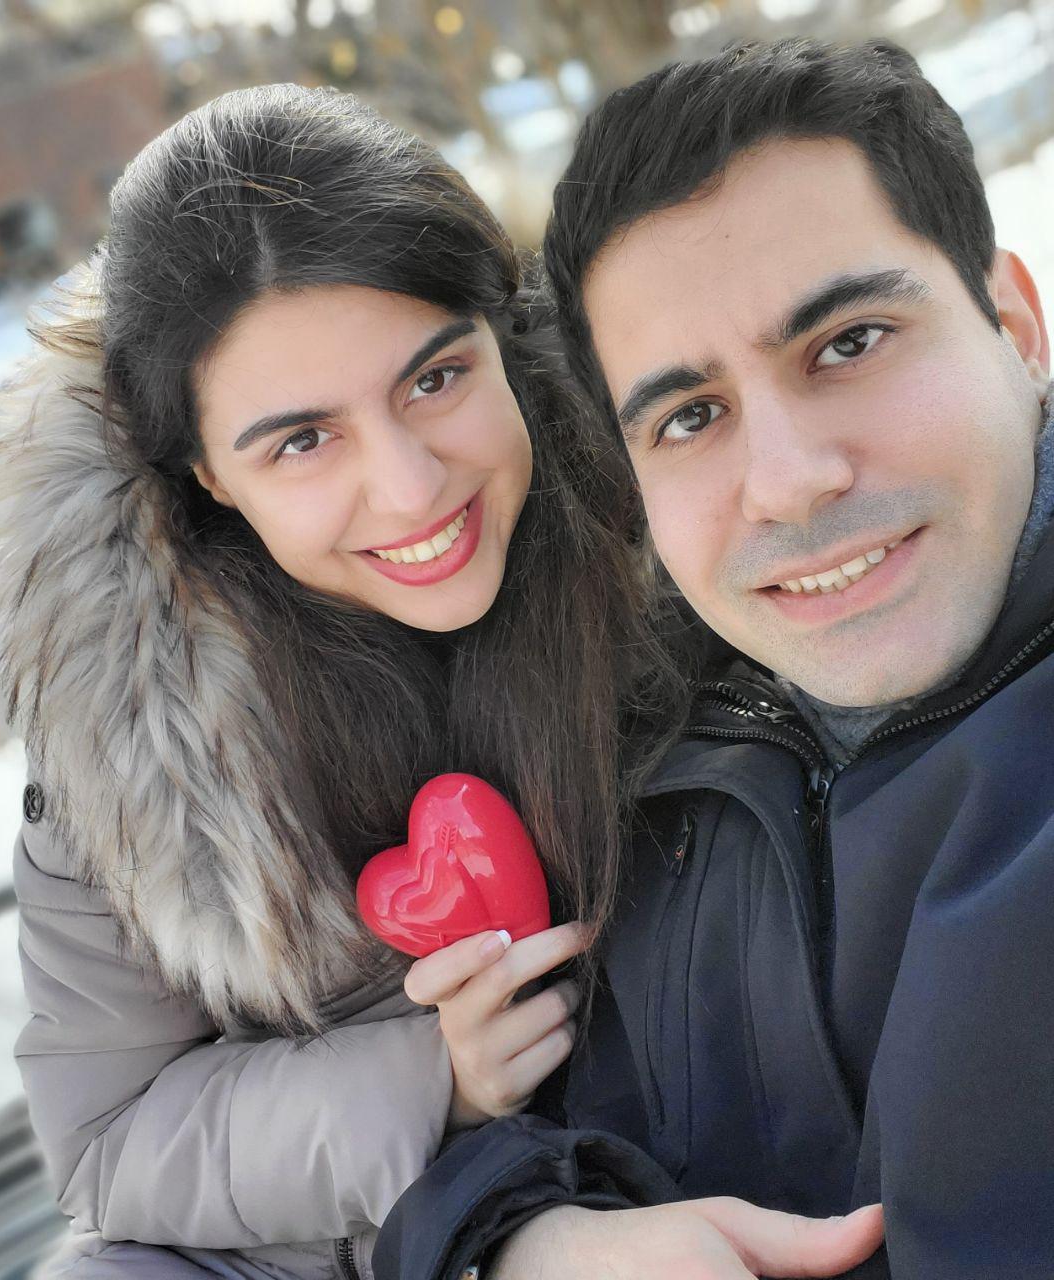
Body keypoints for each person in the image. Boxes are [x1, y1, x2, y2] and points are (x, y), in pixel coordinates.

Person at [0, 84, 688, 1279]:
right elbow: (107, 1137)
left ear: (502, 329)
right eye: (303, 441)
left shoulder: (677, 525)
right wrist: (428, 1079)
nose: (410, 488)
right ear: (205, 473)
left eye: (435, 378)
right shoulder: (139, 741)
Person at [373, 38, 1054, 1280]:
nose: (788, 481)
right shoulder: (655, 768)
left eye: (848, 341)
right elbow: (521, 1154)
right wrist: (519, 1242)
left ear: (1014, 324)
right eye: (690, 416)